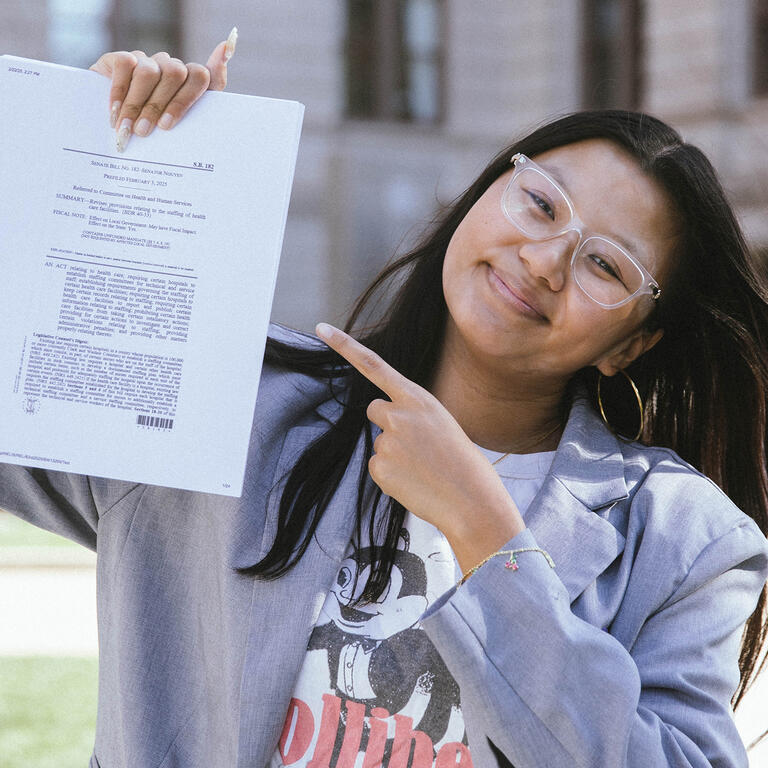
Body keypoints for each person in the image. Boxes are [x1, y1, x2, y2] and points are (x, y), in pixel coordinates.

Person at [3, 36, 768, 767]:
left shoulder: (686, 541)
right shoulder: (236, 405)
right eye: (540, 205)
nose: (544, 262)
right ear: (487, 191)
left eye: (605, 263)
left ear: (630, 344)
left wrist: (487, 535)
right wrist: (72, 165)